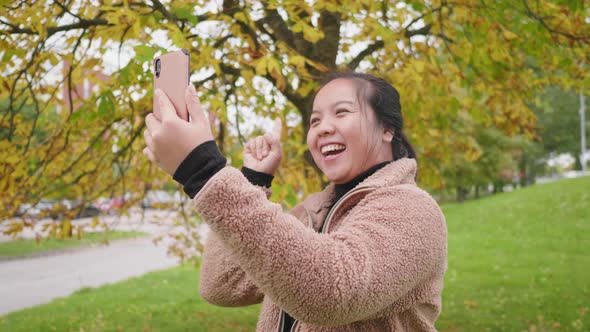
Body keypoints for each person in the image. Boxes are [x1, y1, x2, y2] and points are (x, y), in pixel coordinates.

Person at [143, 72, 448, 331]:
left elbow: (332, 292)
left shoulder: (413, 210)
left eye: (342, 112)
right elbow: (223, 284)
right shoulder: (313, 212)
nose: (323, 127)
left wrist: (203, 169)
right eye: (315, 120)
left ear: (387, 129)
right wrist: (254, 179)